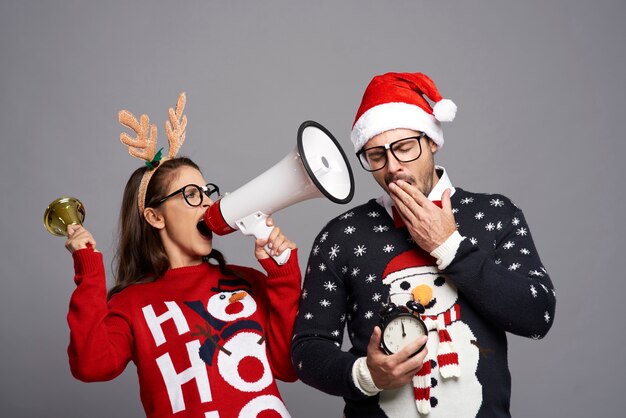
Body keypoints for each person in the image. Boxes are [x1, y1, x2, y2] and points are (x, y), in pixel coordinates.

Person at [291, 72, 556, 417]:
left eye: (404, 148)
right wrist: (366, 376)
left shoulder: (495, 214)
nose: (393, 168)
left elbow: (538, 316)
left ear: (432, 141)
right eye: (376, 156)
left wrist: (449, 247)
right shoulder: (341, 235)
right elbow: (307, 348)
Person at [65, 93, 301, 418]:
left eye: (207, 193)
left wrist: (283, 277)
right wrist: (89, 270)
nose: (207, 203)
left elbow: (289, 367)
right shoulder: (131, 304)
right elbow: (91, 366)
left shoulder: (248, 281)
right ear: (155, 217)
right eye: (191, 195)